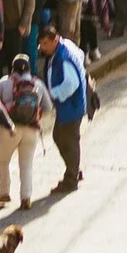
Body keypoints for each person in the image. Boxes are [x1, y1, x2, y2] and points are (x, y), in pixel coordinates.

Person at [36, 22, 90, 193]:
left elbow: (70, 84)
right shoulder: (63, 49)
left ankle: (71, 177)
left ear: (55, 40)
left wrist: (53, 93)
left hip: (71, 105)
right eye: (41, 44)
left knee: (68, 139)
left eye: (45, 44)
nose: (43, 48)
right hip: (69, 106)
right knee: (60, 137)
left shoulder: (63, 56)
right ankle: (73, 169)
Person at [0, 49, 53, 211]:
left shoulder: (4, 82)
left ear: (12, 69)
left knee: (3, 161)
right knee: (26, 164)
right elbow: (48, 107)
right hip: (31, 129)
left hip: (9, 128)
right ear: (29, 69)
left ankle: (4, 192)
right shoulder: (38, 84)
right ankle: (26, 197)